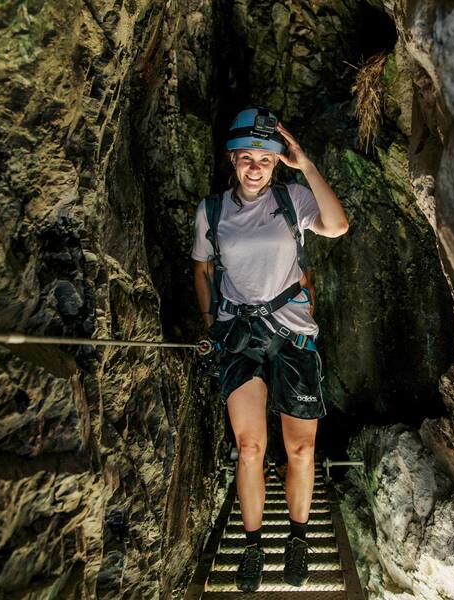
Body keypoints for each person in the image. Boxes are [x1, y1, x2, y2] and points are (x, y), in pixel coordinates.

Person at [191, 106, 349, 591]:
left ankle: (297, 541)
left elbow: (338, 226)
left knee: (301, 450)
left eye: (266, 157)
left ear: (277, 162)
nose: (255, 166)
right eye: (246, 157)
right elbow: (202, 269)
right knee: (250, 447)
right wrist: (208, 324)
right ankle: (254, 546)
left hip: (293, 334)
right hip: (239, 337)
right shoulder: (212, 211)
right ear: (233, 160)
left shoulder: (294, 198)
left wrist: (306, 164)